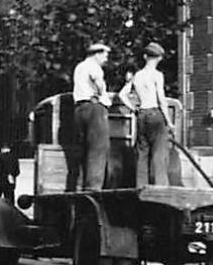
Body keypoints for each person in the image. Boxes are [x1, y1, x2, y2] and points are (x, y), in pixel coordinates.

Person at [120, 41, 181, 187]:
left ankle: (141, 188)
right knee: (159, 154)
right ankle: (160, 188)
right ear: (159, 58)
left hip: (141, 115)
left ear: (145, 56)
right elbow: (161, 100)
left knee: (142, 153)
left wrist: (134, 109)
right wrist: (169, 122)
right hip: (155, 114)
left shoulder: (138, 76)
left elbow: (122, 95)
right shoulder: (157, 75)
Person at [70, 42, 113, 191]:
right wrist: (105, 98)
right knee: (98, 148)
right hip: (94, 108)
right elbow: (99, 84)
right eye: (105, 55)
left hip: (79, 109)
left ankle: (79, 186)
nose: (106, 59)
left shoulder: (79, 67)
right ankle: (93, 188)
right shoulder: (94, 67)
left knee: (83, 150)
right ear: (97, 54)